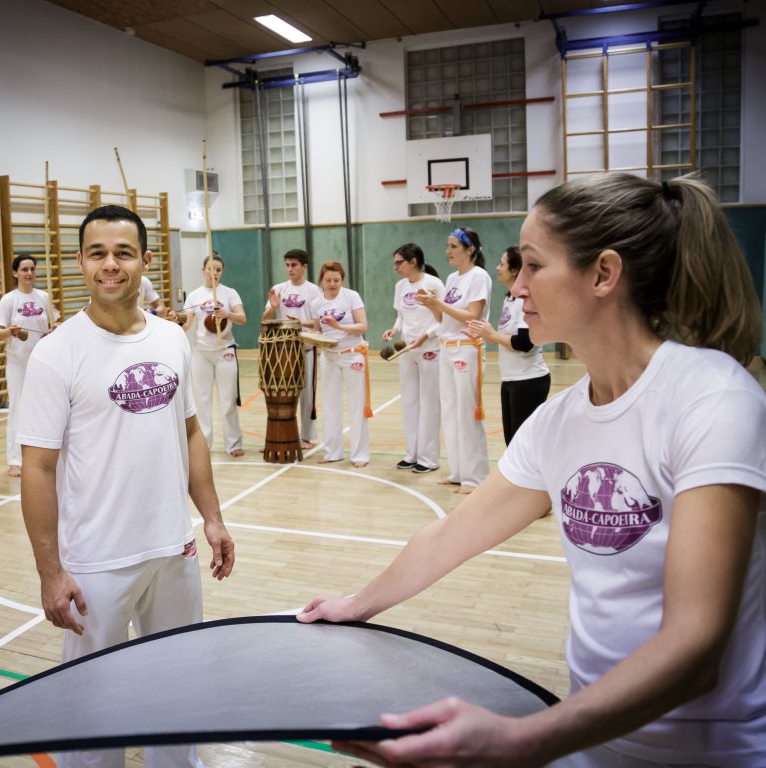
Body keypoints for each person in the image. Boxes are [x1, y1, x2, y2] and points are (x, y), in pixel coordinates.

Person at [298, 173, 766, 768]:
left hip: (716, 752)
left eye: (533, 267)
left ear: (603, 274)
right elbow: (449, 535)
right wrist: (355, 604)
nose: (516, 287)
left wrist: (522, 740)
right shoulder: (559, 420)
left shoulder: (712, 399)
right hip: (588, 736)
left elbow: (695, 646)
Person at [18, 205, 235, 768]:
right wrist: (50, 573)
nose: (110, 265)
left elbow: (190, 432)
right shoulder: (56, 352)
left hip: (174, 549)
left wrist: (211, 517)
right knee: (94, 711)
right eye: (97, 253)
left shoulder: (171, 338)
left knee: (177, 691)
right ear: (81, 262)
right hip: (97, 564)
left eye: (123, 252)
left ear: (145, 261)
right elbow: (38, 469)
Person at [418, 226, 492, 494]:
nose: (447, 251)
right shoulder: (451, 278)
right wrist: (432, 307)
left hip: (467, 349)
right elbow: (444, 319)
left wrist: (440, 305)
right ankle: (459, 471)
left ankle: (476, 477)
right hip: (446, 347)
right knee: (450, 412)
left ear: (470, 249)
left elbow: (473, 314)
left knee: (467, 412)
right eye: (448, 246)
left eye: (453, 246)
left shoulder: (479, 276)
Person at [467, 246, 551, 445]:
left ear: (514, 270)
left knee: (523, 446)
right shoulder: (509, 299)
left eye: (502, 263)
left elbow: (524, 343)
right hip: (510, 379)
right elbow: (503, 337)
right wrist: (482, 332)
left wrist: (491, 335)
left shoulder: (526, 300)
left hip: (528, 381)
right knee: (512, 444)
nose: (497, 267)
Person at [0, 255, 58, 478]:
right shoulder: (9, 300)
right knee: (18, 410)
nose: (29, 273)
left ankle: (44, 455)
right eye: (24, 269)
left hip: (42, 361)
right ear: (15, 273)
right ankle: (14, 460)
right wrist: (10, 332)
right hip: (18, 363)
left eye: (32, 269)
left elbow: (53, 324)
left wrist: (54, 329)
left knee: (45, 408)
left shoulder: (44, 297)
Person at [382, 244, 445, 473]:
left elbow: (443, 318)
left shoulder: (433, 284)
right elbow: (401, 315)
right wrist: (394, 329)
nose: (395, 266)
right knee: (410, 402)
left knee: (429, 404)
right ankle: (412, 454)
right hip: (407, 351)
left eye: (399, 262)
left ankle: (428, 459)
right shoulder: (400, 286)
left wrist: (425, 336)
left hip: (430, 349)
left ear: (414, 261)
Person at [180, 254, 246, 457]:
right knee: (202, 400)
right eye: (210, 268)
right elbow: (187, 324)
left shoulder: (229, 293)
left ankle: (233, 444)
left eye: (218, 269)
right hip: (201, 352)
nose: (214, 273)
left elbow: (242, 318)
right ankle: (204, 444)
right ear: (203, 270)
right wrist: (177, 320)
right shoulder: (194, 295)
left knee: (228, 399)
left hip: (225, 351)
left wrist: (228, 314)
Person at [262, 248, 322, 449]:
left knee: (307, 395)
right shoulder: (279, 289)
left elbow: (318, 324)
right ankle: (282, 433)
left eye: (294, 265)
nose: (290, 269)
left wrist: (301, 323)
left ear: (304, 266)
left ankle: (306, 437)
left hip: (306, 348)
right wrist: (272, 306)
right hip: (282, 350)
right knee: (281, 394)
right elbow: (264, 320)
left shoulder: (314, 291)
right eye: (287, 265)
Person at [311, 261, 370, 468]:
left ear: (342, 280)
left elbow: (363, 326)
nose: (333, 283)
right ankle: (333, 452)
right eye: (328, 280)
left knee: (357, 404)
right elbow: (318, 330)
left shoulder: (351, 296)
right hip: (329, 357)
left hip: (353, 355)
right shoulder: (316, 303)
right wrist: (312, 337)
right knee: (330, 404)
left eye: (337, 280)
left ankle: (360, 454)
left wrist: (339, 326)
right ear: (321, 280)